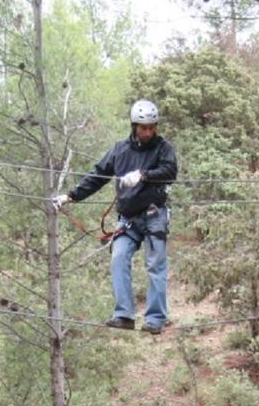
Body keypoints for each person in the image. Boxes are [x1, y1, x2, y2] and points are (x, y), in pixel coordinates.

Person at [51, 99, 178, 335]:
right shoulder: (120, 150)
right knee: (118, 258)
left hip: (154, 215)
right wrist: (71, 196)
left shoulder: (163, 148)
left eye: (152, 127)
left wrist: (143, 175)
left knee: (155, 265)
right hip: (128, 218)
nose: (148, 132)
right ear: (134, 126)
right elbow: (98, 176)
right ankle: (124, 315)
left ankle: (156, 319)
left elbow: (170, 172)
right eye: (144, 127)